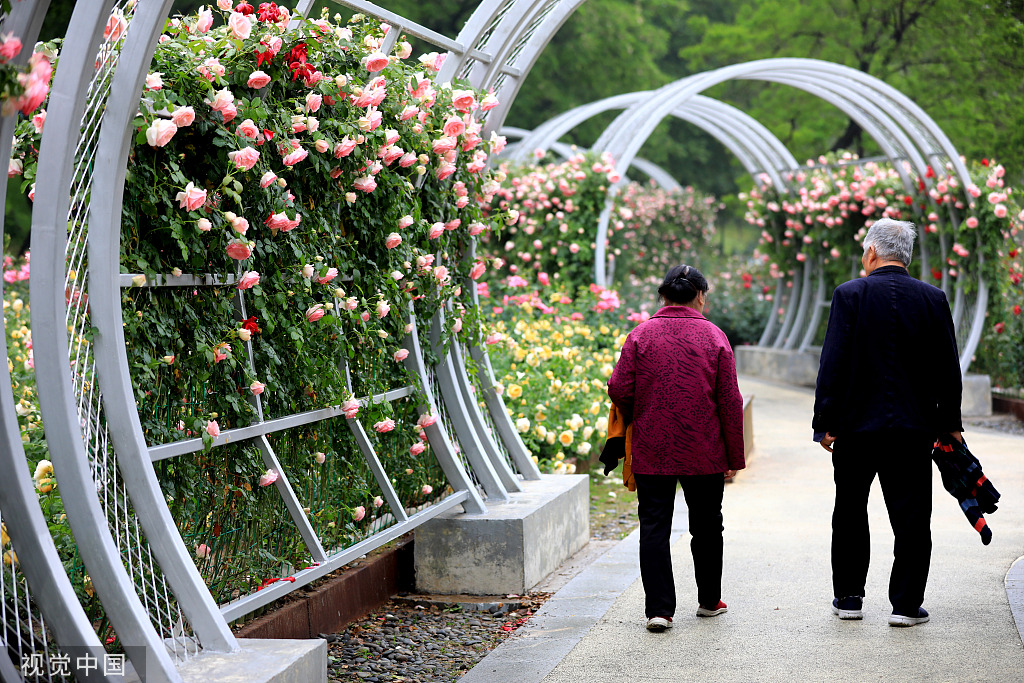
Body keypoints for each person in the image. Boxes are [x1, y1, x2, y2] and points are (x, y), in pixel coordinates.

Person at [813, 217, 963, 627]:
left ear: (872, 252)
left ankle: (848, 598)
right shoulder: (933, 298)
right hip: (914, 430)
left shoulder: (850, 295)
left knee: (849, 511)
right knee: (912, 517)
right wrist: (950, 423)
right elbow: (948, 369)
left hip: (855, 428)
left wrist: (824, 421)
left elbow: (834, 361)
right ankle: (906, 606)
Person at [608, 264, 746, 632]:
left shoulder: (640, 336)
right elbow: (730, 401)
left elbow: (619, 388)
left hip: (653, 448)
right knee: (707, 525)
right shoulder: (715, 337)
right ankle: (708, 601)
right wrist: (733, 456)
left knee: (654, 525)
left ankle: (659, 610)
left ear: (663, 296)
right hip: (705, 450)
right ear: (700, 295)